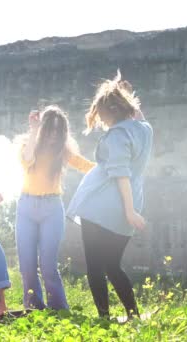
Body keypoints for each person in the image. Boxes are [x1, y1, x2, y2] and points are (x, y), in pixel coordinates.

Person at [66, 72, 153, 319]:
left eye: (102, 114)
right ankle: (133, 314)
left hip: (101, 205)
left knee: (95, 265)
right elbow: (138, 115)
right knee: (112, 265)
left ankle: (104, 317)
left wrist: (128, 211)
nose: (101, 119)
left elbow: (120, 174)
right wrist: (122, 92)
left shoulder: (116, 135)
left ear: (109, 111)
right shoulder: (145, 130)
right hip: (130, 201)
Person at [16, 105, 95, 310]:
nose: (53, 135)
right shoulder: (28, 144)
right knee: (27, 266)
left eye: (58, 131)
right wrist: (34, 130)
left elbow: (86, 166)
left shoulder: (63, 152)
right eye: (49, 129)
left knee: (48, 265)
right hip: (26, 208)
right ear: (42, 127)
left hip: (52, 208)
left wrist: (112, 171)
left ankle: (59, 309)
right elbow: (27, 160)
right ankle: (33, 307)